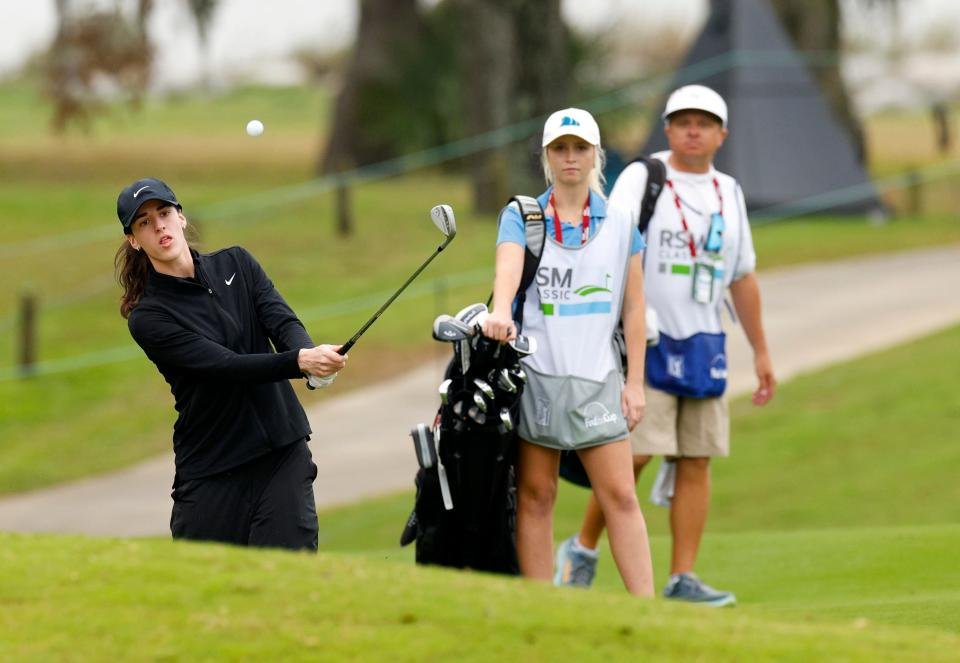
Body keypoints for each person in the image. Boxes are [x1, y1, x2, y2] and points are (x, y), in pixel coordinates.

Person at [556, 85, 776, 606]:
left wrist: (762, 350)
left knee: (697, 458)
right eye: (682, 121)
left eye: (704, 122)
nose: (692, 130)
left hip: (705, 344)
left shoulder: (729, 192)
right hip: (646, 342)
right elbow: (608, 244)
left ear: (722, 134)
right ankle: (582, 550)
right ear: (668, 128)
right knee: (636, 453)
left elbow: (741, 276)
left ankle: (683, 577)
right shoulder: (644, 177)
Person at [114, 177, 346, 551]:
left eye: (164, 213)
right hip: (213, 469)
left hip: (281, 453)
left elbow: (281, 321)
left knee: (287, 576)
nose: (158, 225)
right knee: (209, 590)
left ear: (181, 218)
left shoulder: (237, 263)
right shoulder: (149, 318)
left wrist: (311, 358)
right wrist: (299, 361)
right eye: (143, 222)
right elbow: (224, 366)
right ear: (134, 240)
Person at [482, 109, 655, 596]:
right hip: (537, 376)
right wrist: (500, 310)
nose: (571, 158)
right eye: (561, 149)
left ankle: (653, 611)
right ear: (547, 156)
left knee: (620, 495)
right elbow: (507, 272)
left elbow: (635, 308)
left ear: (596, 155)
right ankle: (543, 609)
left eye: (580, 149)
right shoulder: (523, 215)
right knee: (537, 496)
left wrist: (636, 383)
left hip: (598, 378)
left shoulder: (621, 222)